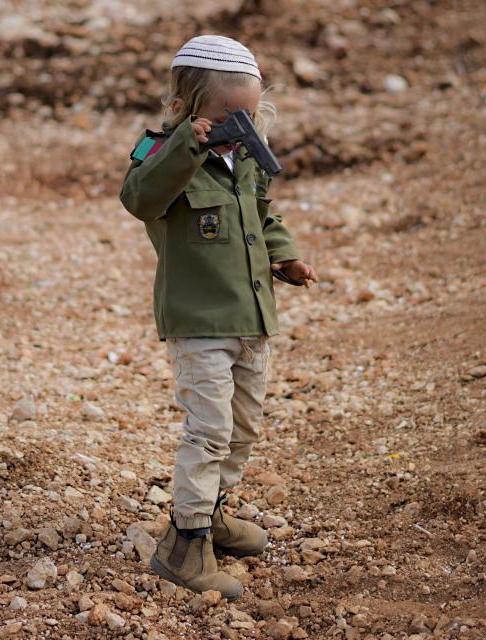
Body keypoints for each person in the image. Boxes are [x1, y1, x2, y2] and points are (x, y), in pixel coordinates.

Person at [119, 34, 317, 600]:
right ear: (185, 106)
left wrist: (287, 257)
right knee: (207, 431)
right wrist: (187, 145)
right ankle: (185, 545)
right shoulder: (161, 153)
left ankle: (213, 512)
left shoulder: (247, 161)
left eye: (249, 115)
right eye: (226, 115)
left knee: (242, 428)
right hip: (199, 322)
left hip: (251, 319)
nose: (239, 126)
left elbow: (262, 213)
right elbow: (139, 199)